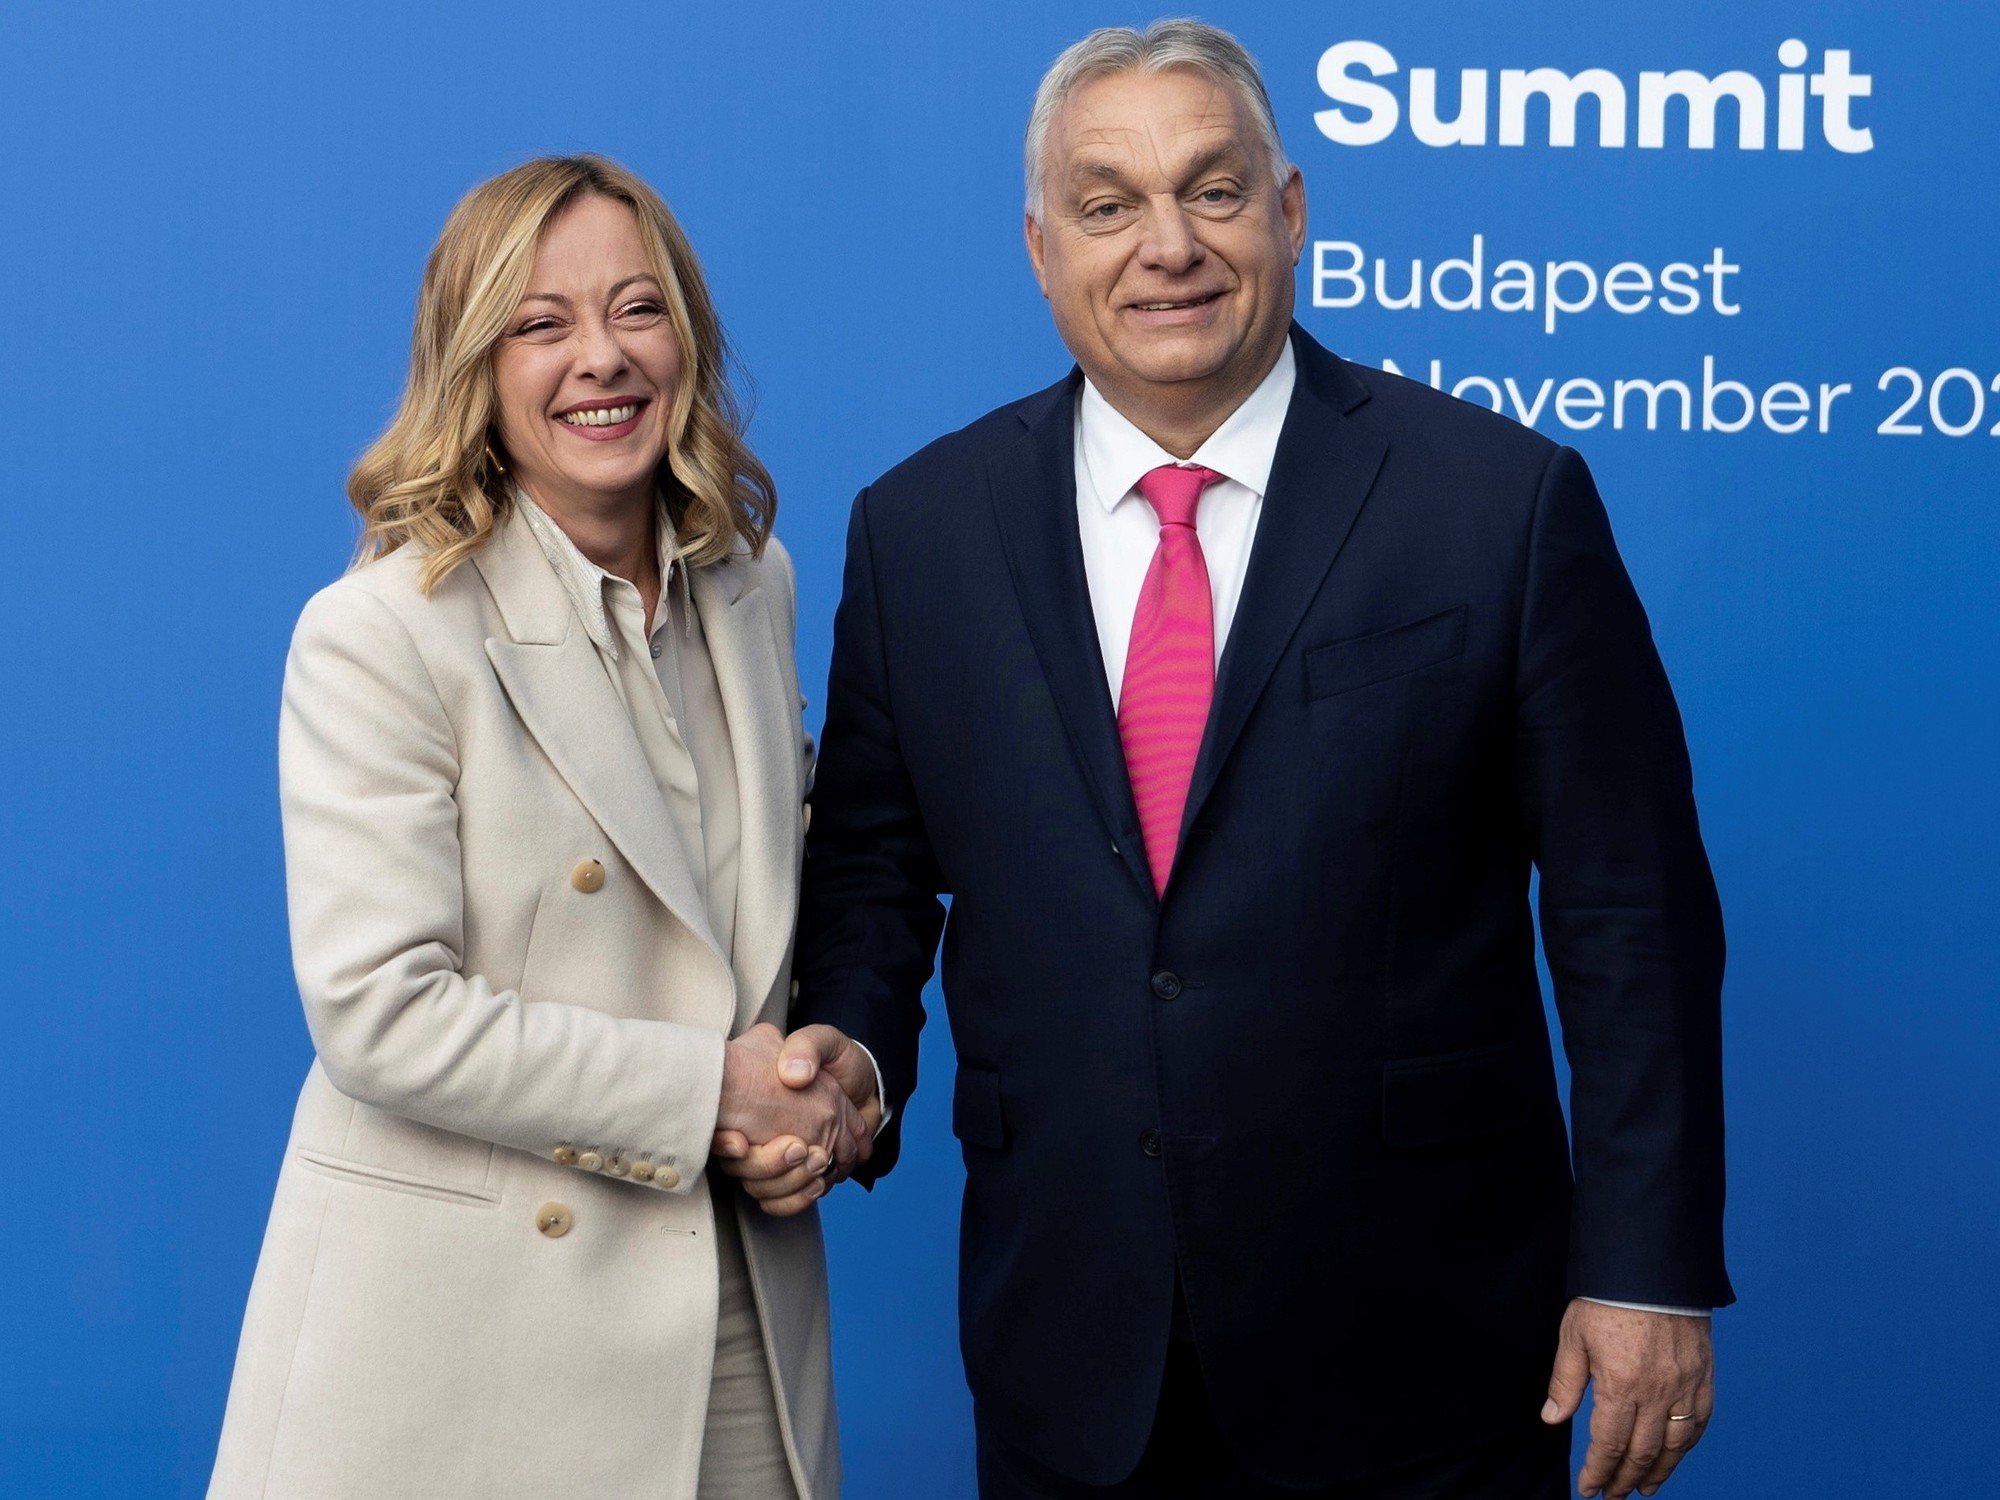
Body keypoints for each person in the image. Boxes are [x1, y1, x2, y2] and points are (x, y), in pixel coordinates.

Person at [722, 20, 1731, 1500]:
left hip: (1424, 1349)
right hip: (1072, 1351)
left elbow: (1629, 910)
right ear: (1041, 248)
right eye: (1108, 204)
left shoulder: (1499, 504)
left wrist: (1646, 1264)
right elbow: (877, 863)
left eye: (1212, 189)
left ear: (1290, 209)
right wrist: (854, 1059)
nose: (1168, 247)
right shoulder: (920, 528)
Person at [208, 154, 869, 1500]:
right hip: (469, 1344)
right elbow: (380, 1011)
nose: (601, 358)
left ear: (687, 337)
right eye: (541, 323)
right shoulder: (381, 631)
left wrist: (832, 1084)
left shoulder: (752, 585)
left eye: (638, 309)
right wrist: (715, 1093)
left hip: (735, 1301)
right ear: (475, 365)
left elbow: (777, 903)